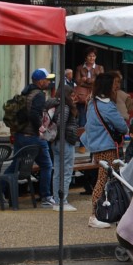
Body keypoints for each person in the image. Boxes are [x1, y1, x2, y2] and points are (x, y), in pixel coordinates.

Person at [0, 68, 56, 208]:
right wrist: (41, 129)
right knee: (47, 165)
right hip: (33, 137)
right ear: (40, 81)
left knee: (15, 165)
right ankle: (46, 197)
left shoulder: (26, 92)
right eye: (47, 79)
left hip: (20, 135)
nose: (49, 82)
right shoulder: (39, 95)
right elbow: (34, 114)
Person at [84, 72, 129, 229]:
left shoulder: (92, 103)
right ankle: (94, 215)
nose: (116, 87)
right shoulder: (107, 106)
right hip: (107, 146)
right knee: (104, 180)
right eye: (114, 84)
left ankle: (106, 212)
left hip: (97, 146)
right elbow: (122, 126)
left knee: (107, 180)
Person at [48, 84, 80, 212]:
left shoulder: (54, 105)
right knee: (66, 172)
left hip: (55, 142)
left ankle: (57, 200)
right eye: (72, 95)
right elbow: (61, 123)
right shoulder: (65, 107)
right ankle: (63, 201)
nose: (73, 97)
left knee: (57, 172)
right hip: (65, 141)